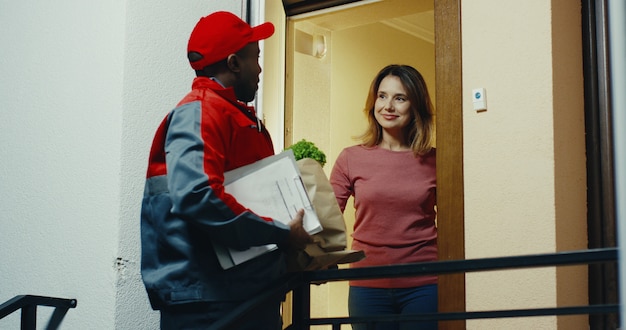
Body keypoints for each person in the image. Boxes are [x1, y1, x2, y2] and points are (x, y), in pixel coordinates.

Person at [140, 11, 312, 330]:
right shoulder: (201, 111)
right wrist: (282, 234)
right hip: (211, 303)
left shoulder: (231, 114)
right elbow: (197, 196)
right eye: (256, 58)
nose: (260, 68)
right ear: (234, 63)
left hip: (243, 294)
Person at [329, 64, 438, 330]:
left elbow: (461, 220)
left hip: (424, 284)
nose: (388, 106)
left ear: (415, 107)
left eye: (400, 98)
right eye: (382, 96)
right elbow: (327, 217)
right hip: (368, 285)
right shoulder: (350, 158)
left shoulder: (435, 160)